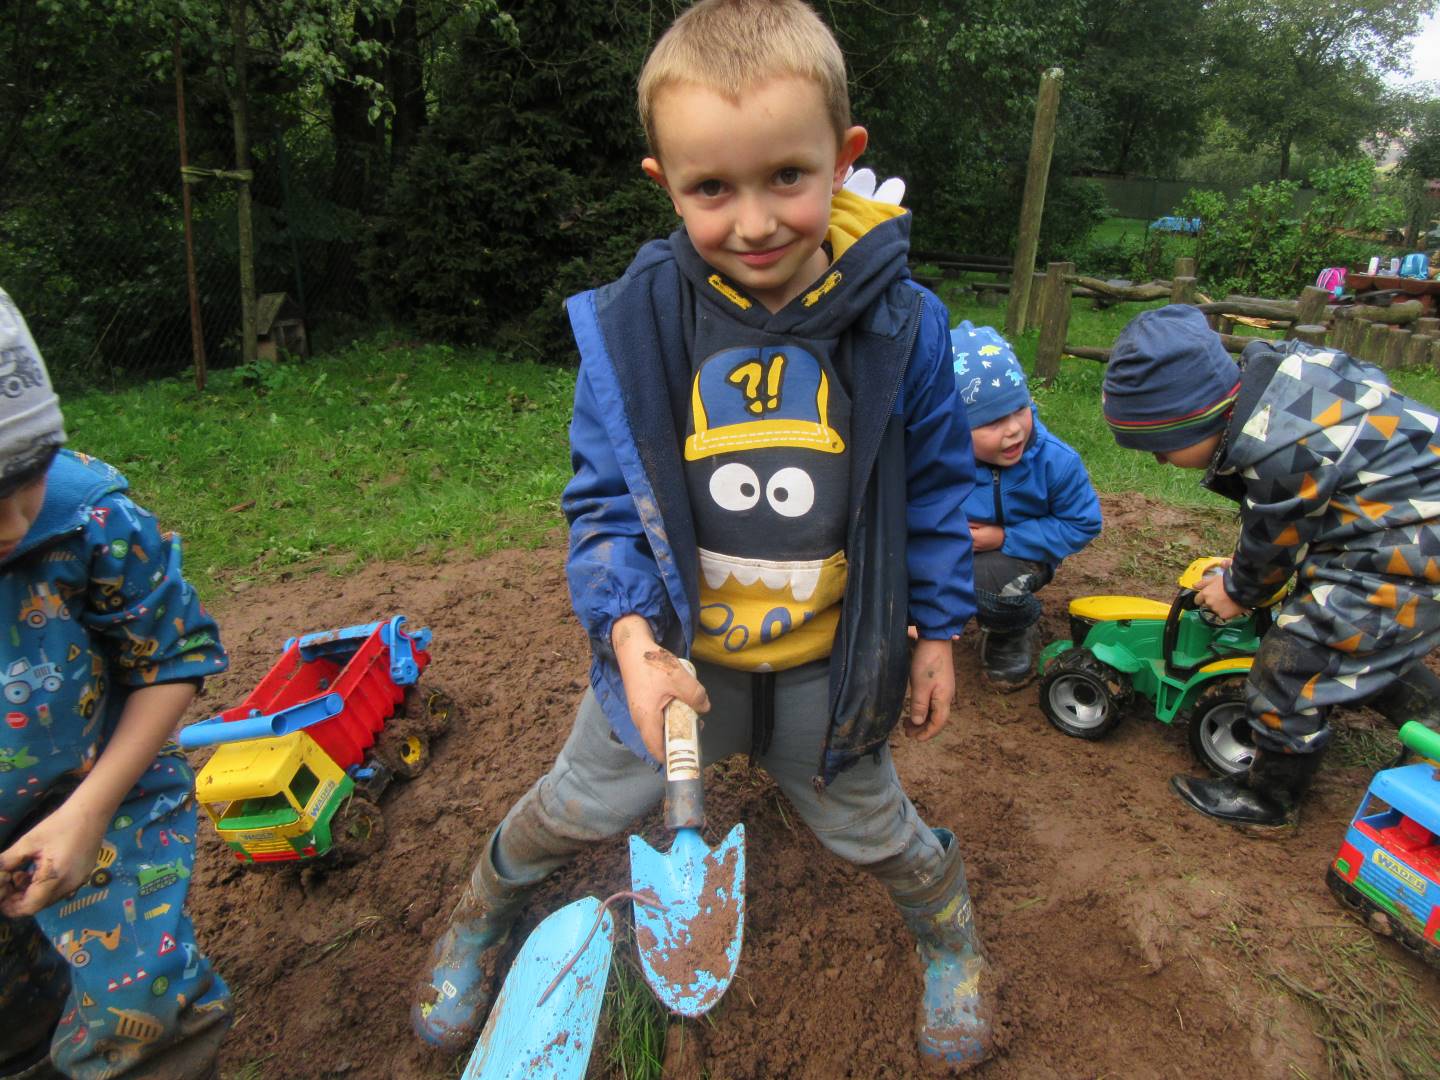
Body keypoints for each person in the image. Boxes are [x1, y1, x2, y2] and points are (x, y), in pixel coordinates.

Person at [412, 0, 993, 1071]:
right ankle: (483, 905)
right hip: (678, 667)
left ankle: (949, 934)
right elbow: (604, 506)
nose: (755, 221)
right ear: (665, 182)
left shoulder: (902, 325)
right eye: (711, 189)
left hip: (827, 662)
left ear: (844, 156)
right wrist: (631, 642)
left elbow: (935, 490)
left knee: (870, 823)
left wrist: (940, 631)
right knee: (580, 802)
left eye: (788, 176)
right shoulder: (636, 329)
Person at [0, 288, 232, 1080]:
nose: (12, 525)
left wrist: (88, 812)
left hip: (105, 799)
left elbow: (173, 657)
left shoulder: (91, 520)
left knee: (140, 1005)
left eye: (27, 475)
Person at [1102, 304, 1440, 832]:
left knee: (1291, 663)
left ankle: (1269, 801)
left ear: (1199, 418)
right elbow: (1289, 514)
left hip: (1410, 551)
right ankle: (1430, 716)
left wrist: (1239, 589)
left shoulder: (1280, 449)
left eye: (1159, 448)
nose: (1159, 462)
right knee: (1359, 639)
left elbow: (1273, 542)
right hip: (1403, 519)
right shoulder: (1285, 387)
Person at [952, 322, 1101, 689]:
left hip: (1019, 554)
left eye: (1020, 409)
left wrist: (1005, 537)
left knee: (990, 580)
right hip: (948, 548)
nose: (1014, 429)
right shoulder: (938, 460)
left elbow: (1082, 523)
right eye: (991, 421)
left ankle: (1012, 628)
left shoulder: (1056, 462)